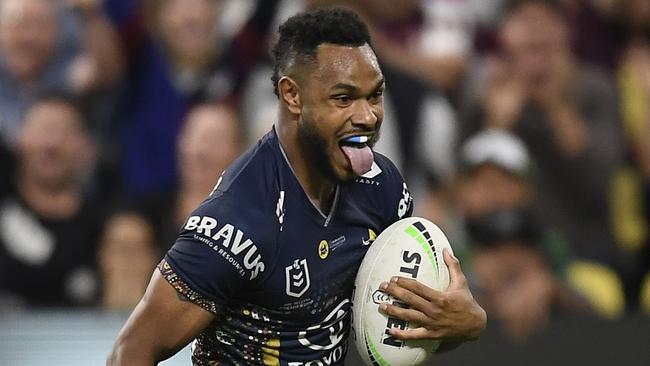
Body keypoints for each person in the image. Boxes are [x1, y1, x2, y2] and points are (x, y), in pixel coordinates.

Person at [107, 8, 486, 365]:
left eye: (374, 95)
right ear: (292, 96)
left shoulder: (381, 187)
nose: (368, 116)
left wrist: (468, 323)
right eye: (344, 98)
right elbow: (131, 351)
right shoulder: (236, 224)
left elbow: (401, 328)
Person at [0, 92, 105, 307]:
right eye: (43, 130)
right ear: (19, 137)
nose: (52, 144)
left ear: (86, 147)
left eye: (65, 132)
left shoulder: (103, 227)